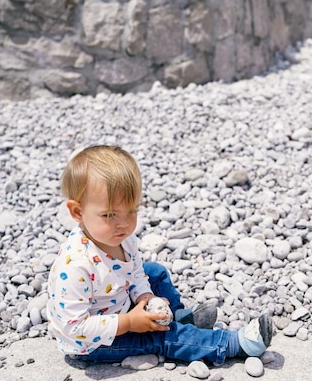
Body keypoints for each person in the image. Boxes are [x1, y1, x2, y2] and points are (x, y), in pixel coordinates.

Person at [47, 145, 272, 364]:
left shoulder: (122, 238)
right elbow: (75, 328)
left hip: (116, 301)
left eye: (132, 210)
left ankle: (176, 315)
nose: (124, 223)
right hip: (94, 343)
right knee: (163, 337)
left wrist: (145, 296)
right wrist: (128, 322)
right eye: (109, 214)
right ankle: (232, 344)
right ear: (78, 212)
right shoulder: (76, 265)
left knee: (155, 272)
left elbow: (135, 274)